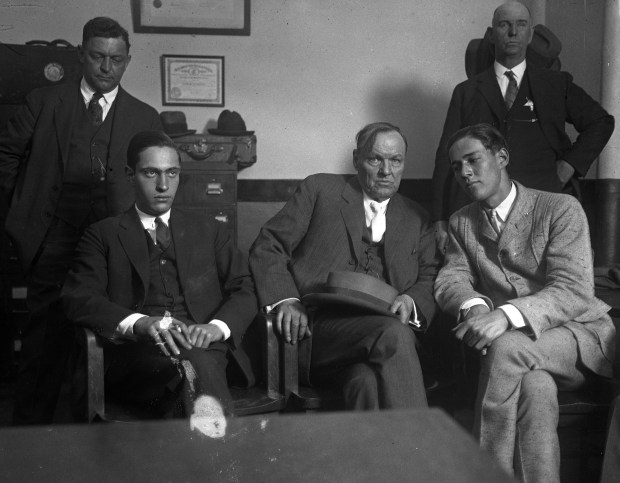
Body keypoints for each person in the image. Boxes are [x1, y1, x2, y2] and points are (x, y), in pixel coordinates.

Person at [0, 17, 163, 424]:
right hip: (50, 237)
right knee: (43, 340)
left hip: (111, 246)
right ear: (81, 55)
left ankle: (90, 442)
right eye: (97, 57)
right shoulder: (43, 101)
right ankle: (30, 439)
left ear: (127, 61)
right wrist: (12, 215)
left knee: (105, 337)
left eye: (116, 60)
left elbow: (154, 178)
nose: (106, 68)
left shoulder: (144, 116)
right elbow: (5, 158)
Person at [434, 123, 615, 482]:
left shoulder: (560, 208)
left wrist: (505, 315)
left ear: (502, 157)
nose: (465, 173)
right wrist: (476, 307)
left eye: (473, 160)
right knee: (536, 389)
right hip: (524, 358)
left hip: (579, 338)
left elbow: (573, 289)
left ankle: (485, 475)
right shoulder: (461, 222)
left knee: (505, 348)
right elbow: (451, 278)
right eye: (457, 166)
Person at [62, 130, 257, 418]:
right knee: (193, 371)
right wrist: (140, 323)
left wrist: (217, 326)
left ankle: (185, 459)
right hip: (139, 356)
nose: (163, 185)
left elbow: (246, 287)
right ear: (130, 175)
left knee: (192, 371)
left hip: (203, 346)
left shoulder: (209, 229)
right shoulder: (103, 234)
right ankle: (218, 458)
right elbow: (79, 298)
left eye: (172, 173)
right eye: (151, 173)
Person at [249, 122, 439, 410]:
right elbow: (268, 246)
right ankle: (420, 451)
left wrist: (412, 300)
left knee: (365, 382)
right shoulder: (320, 189)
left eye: (395, 161)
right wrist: (286, 300)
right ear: (356, 159)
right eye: (375, 159)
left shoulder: (417, 217)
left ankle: (381, 456)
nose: (386, 171)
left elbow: (429, 274)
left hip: (378, 346)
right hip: (315, 334)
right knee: (394, 333)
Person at [431, 1, 614, 253]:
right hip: (480, 213)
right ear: (491, 34)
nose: (513, 32)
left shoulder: (556, 84)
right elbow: (446, 156)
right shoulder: (466, 92)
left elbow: (601, 122)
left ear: (529, 34)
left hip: (541, 206)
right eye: (504, 24)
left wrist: (569, 165)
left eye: (521, 25)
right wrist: (439, 218)